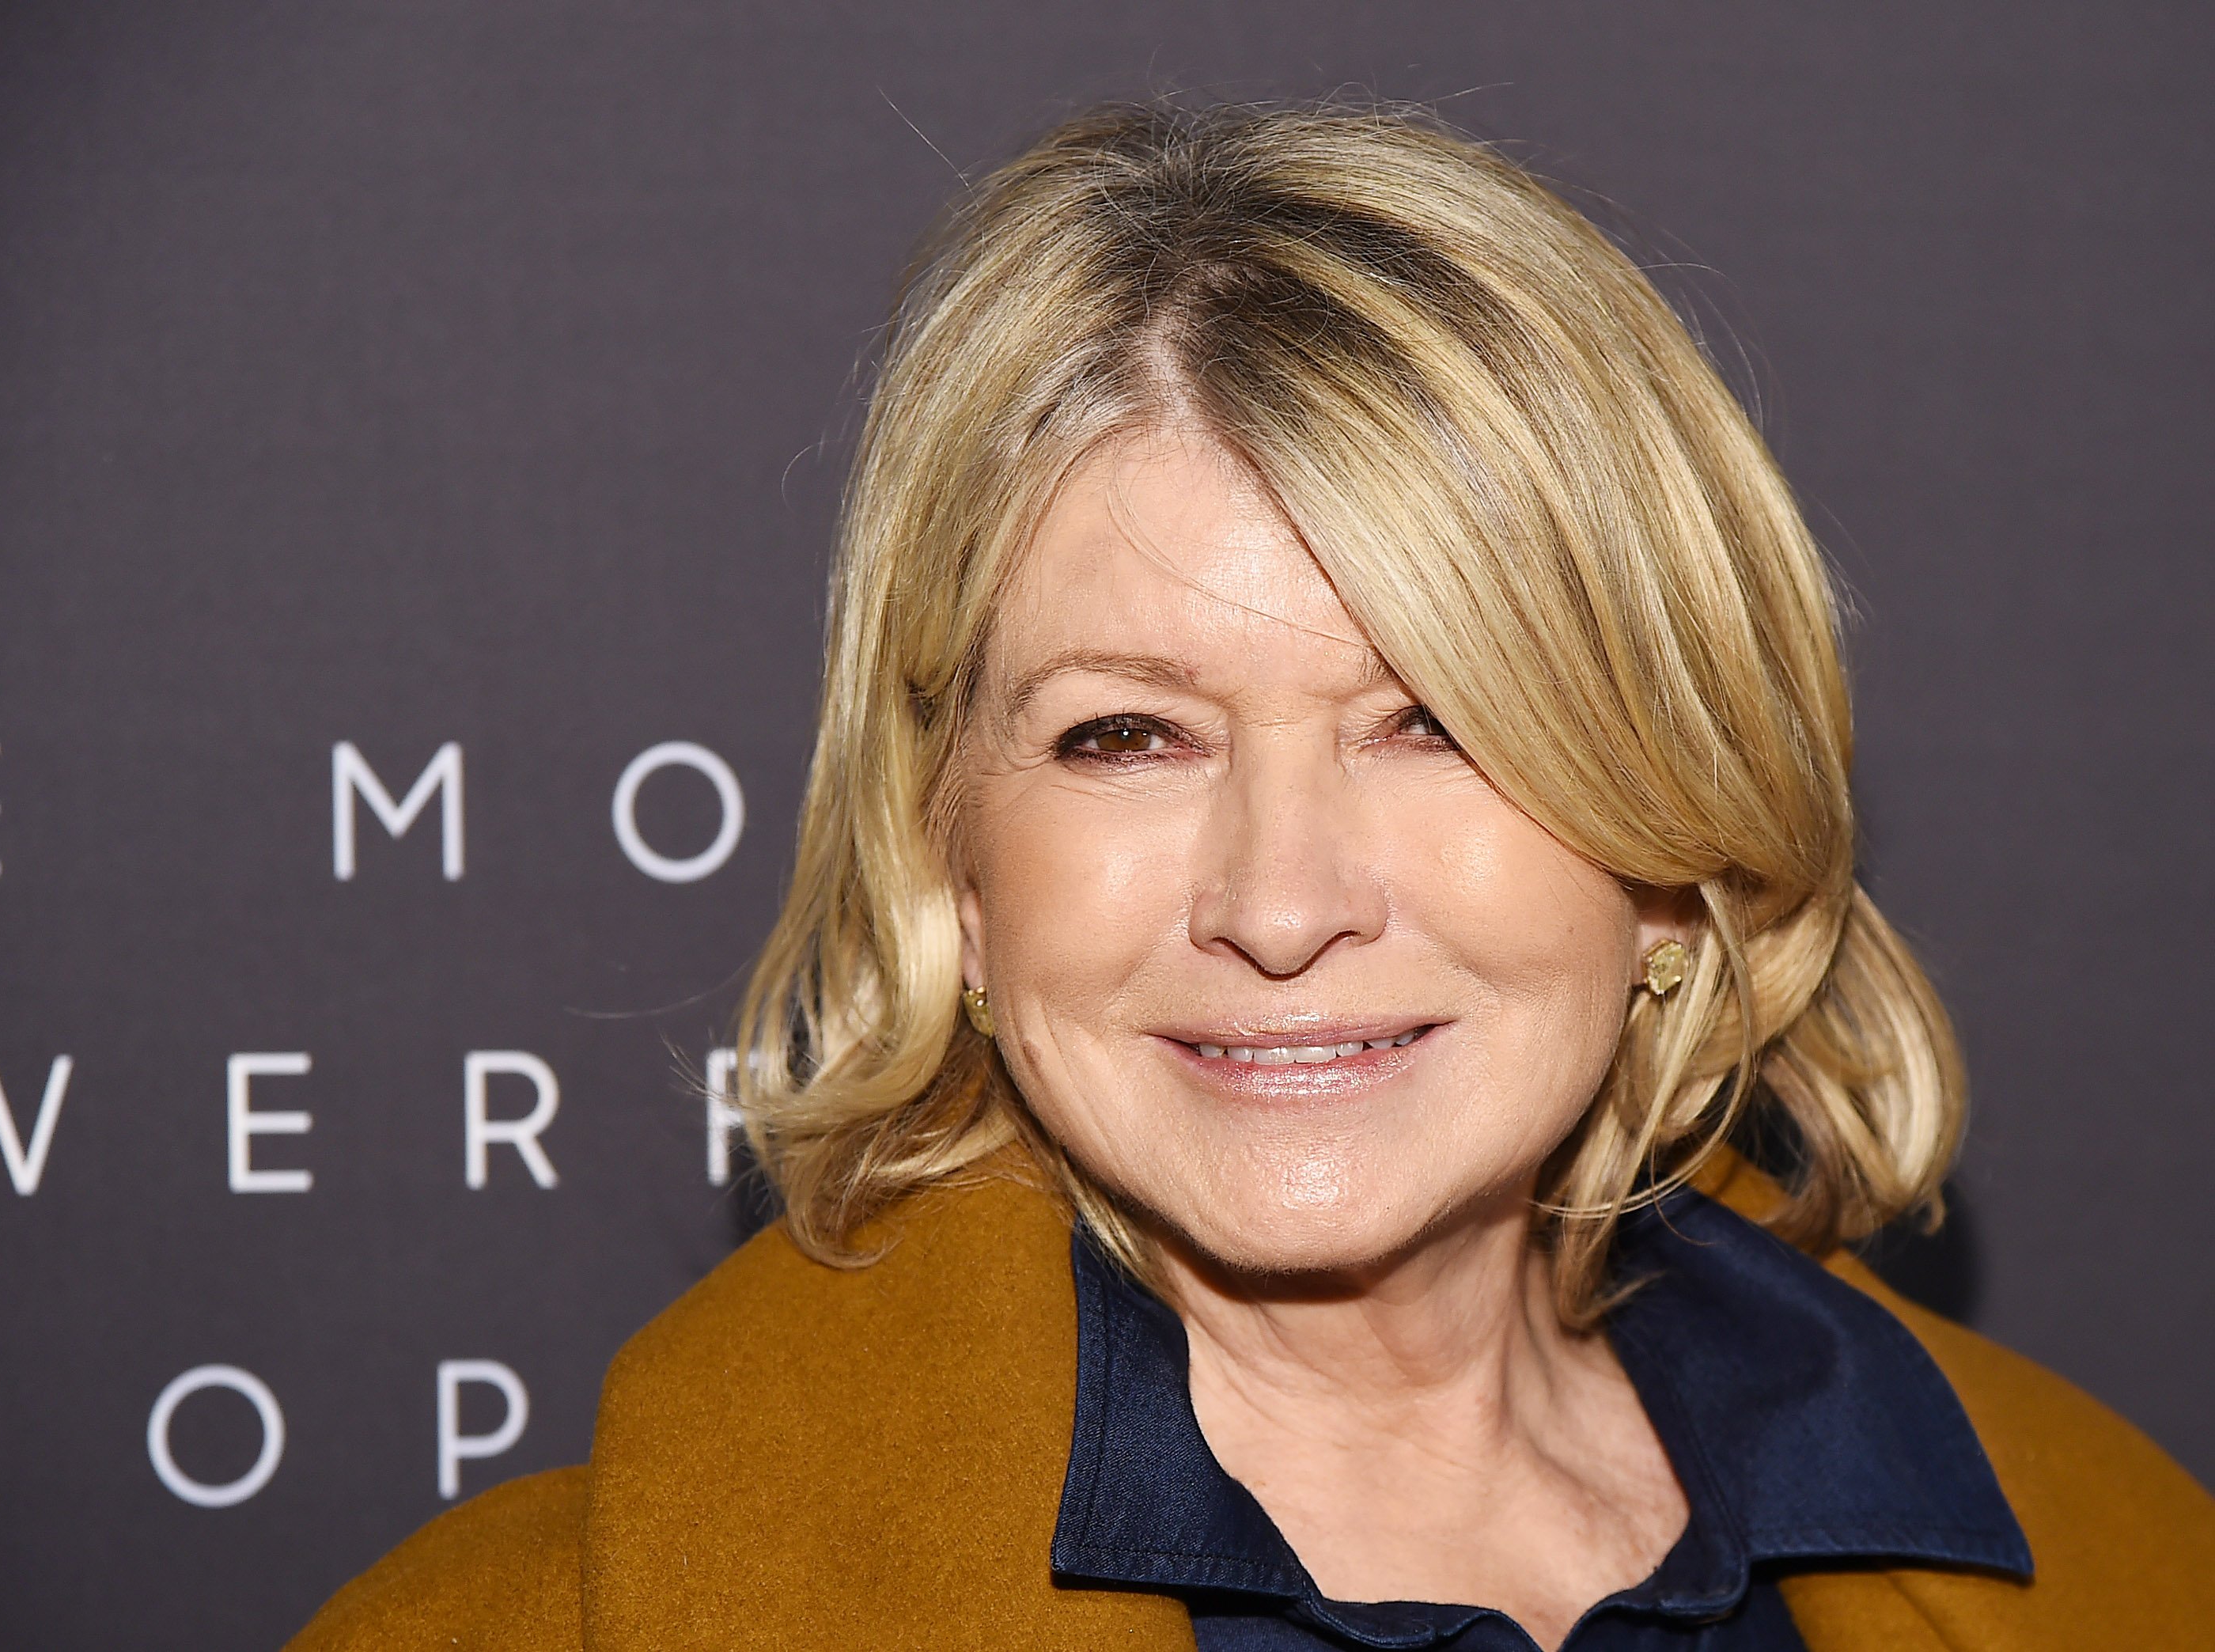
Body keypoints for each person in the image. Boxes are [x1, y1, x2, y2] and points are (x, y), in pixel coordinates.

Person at [289, 101, 2214, 1651]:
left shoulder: (2128, 1565)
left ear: (1666, 843)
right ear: (949, 856)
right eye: (1128, 735)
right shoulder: (527, 1625)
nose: (1282, 904)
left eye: (1436, 719)